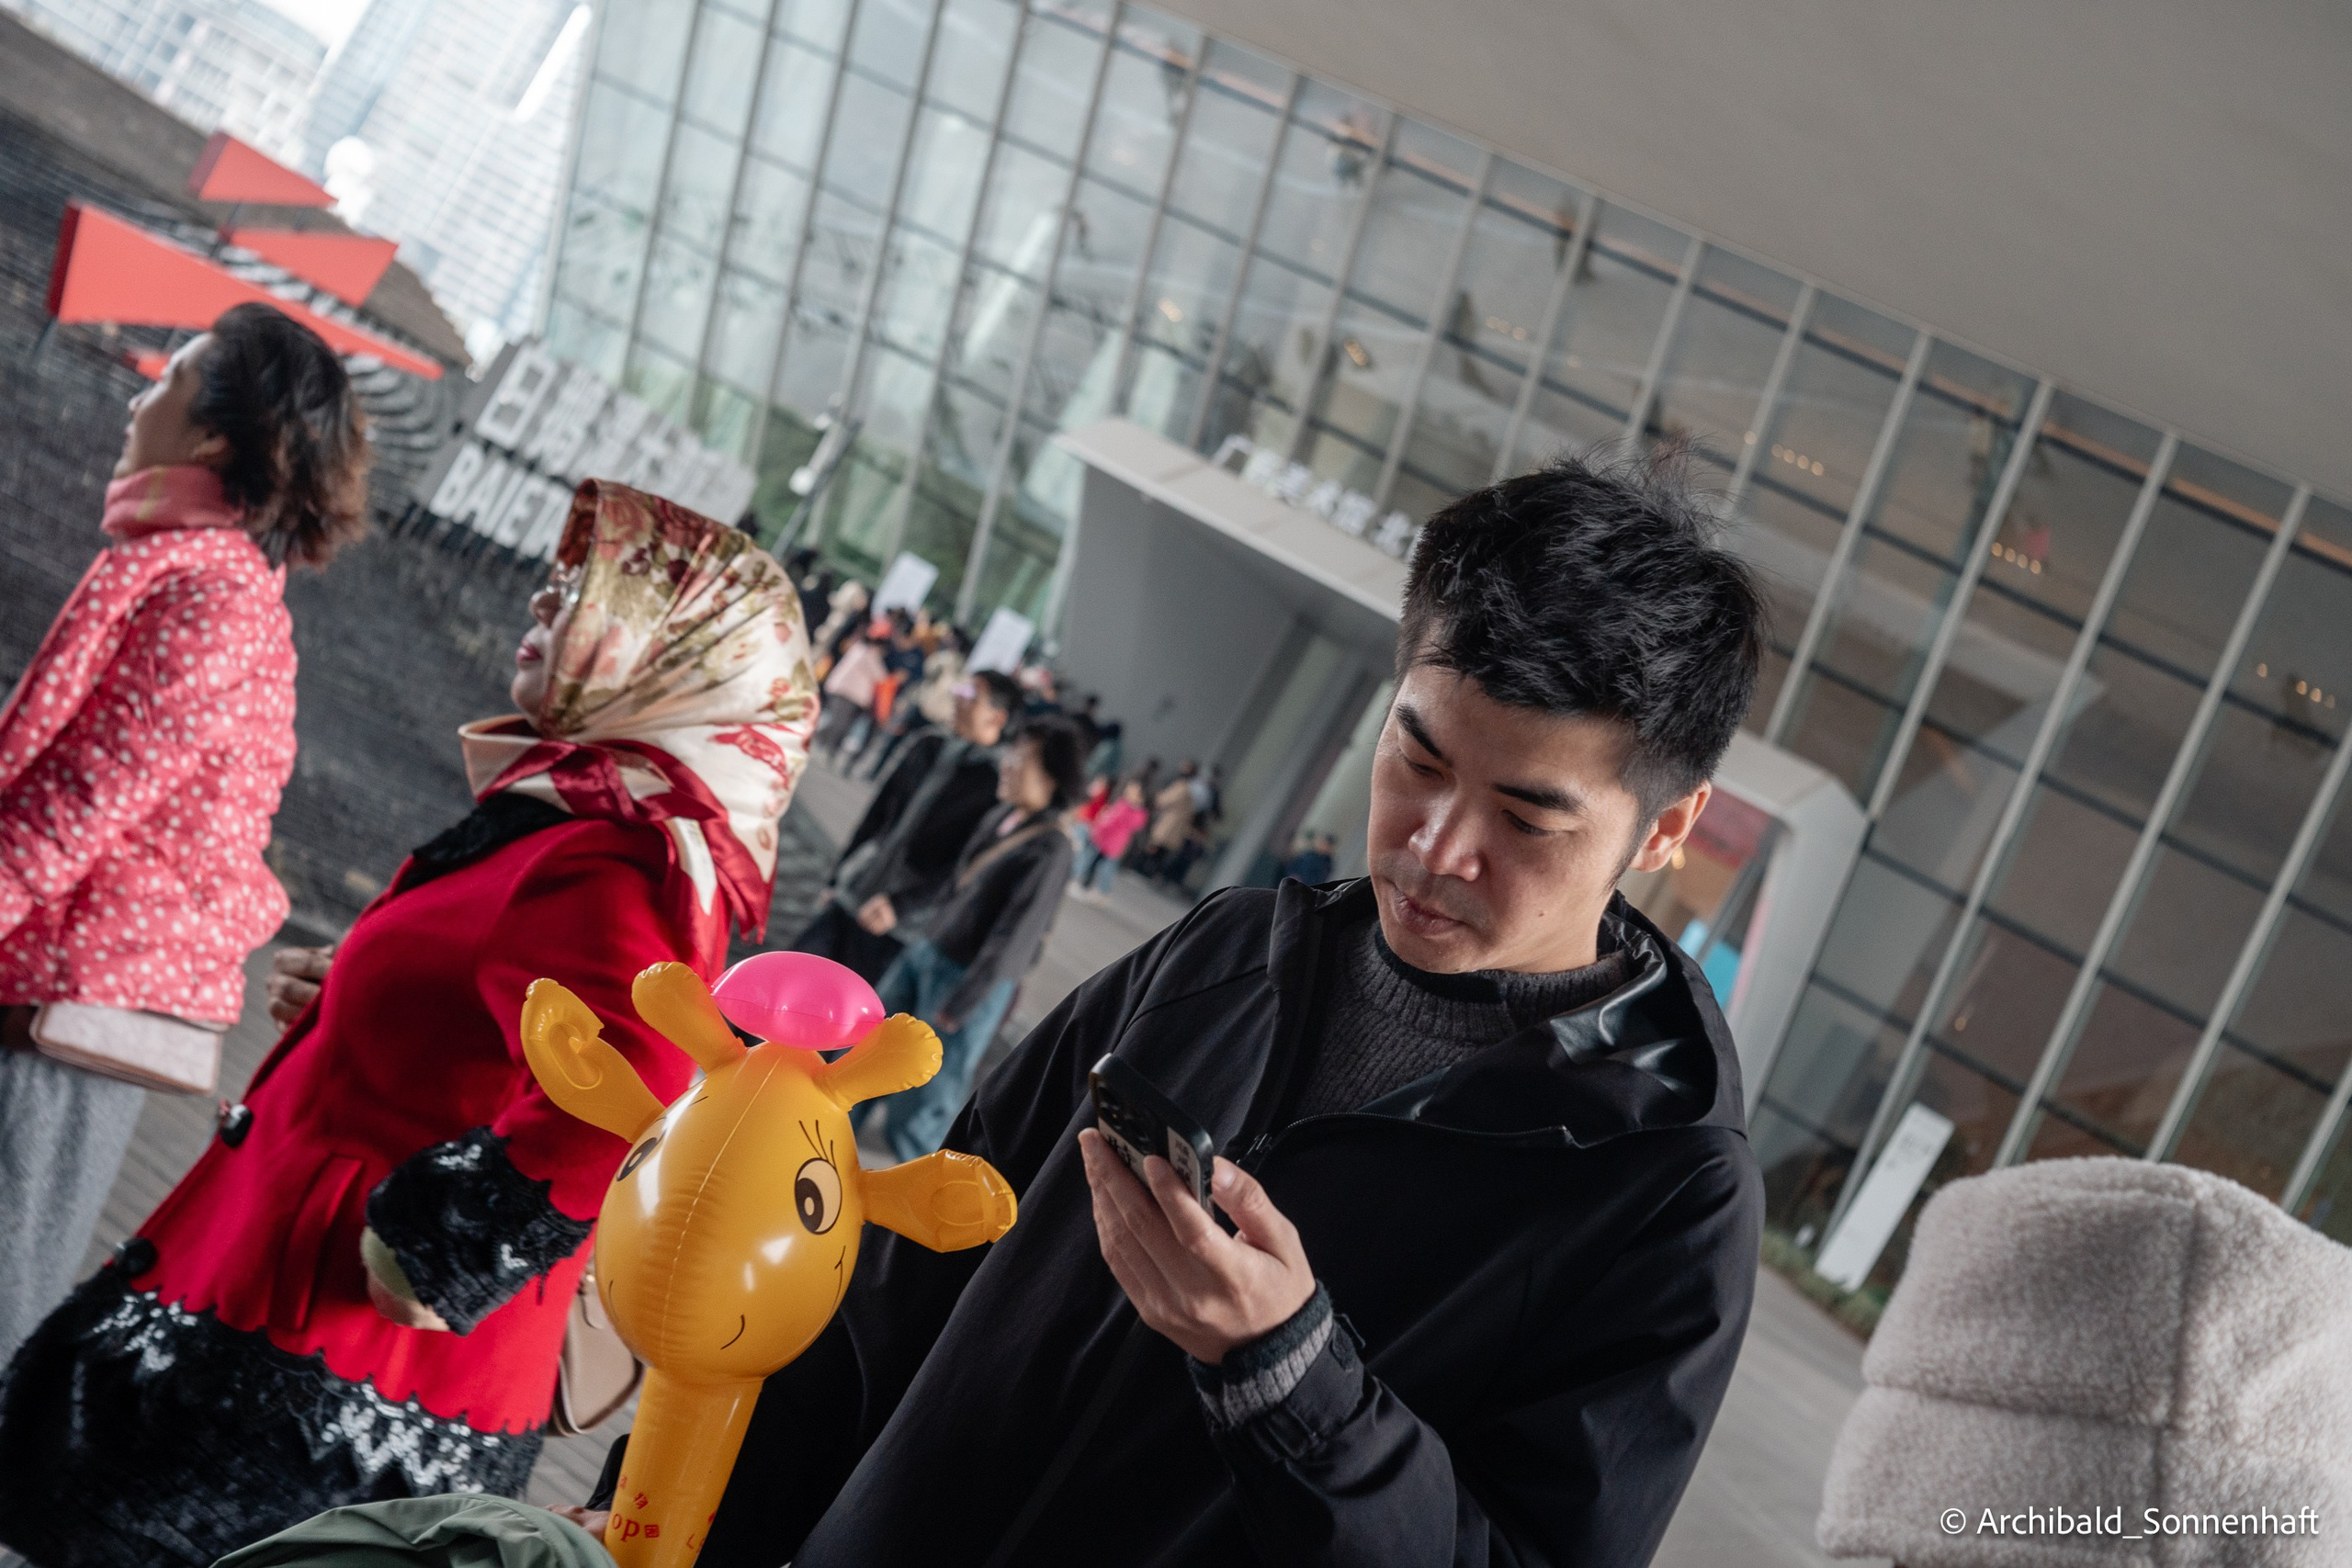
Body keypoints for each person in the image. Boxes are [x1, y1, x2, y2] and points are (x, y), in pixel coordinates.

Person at [576, 449, 1770, 1566]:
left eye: (1527, 816)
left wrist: (1293, 1378)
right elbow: (904, 1275)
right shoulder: (1230, 952)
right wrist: (674, 1512)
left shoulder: (1664, 1189)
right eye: (1416, 757)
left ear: (1665, 826)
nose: (1435, 843)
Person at [0, 482, 818, 1568]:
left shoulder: (620, 857)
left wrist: (439, 1256)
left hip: (324, 1366)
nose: (545, 596)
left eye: (589, 589)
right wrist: (363, 997)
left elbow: (627, 1090)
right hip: (300, 1334)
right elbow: (520, 1023)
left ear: (683, 657)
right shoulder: (587, 819)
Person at [0, 304, 369, 1366]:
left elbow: (78, 804)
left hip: (77, 993)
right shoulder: (195, 574)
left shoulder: (209, 598)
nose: (134, 398)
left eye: (165, 384)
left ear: (214, 437)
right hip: (58, 972)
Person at [855, 716, 1085, 1161]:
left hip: (966, 981)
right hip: (926, 951)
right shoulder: (1001, 816)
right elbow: (954, 882)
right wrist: (900, 906)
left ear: (1051, 777)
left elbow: (1012, 939)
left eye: (1022, 757)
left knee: (922, 1101)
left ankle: (914, 1206)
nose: (1008, 763)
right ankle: (826, 1148)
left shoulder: (1051, 849)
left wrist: (961, 1004)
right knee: (869, 1053)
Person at [790, 669, 1023, 983]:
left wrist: (902, 907)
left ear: (997, 717)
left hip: (896, 922)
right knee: (790, 975)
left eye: (972, 696)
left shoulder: (995, 783)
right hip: (857, 887)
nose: (958, 697)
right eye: (961, 689)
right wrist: (837, 876)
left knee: (843, 1013)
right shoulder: (926, 744)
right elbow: (876, 816)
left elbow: (965, 867)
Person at [1069, 777, 1149, 903]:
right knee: (1095, 864)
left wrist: (1099, 826)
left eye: (1133, 789)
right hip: (1105, 839)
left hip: (1110, 842)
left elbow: (1113, 821)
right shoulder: (1124, 804)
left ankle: (1089, 887)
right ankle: (1089, 887)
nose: (1129, 790)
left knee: (1098, 865)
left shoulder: (1133, 810)